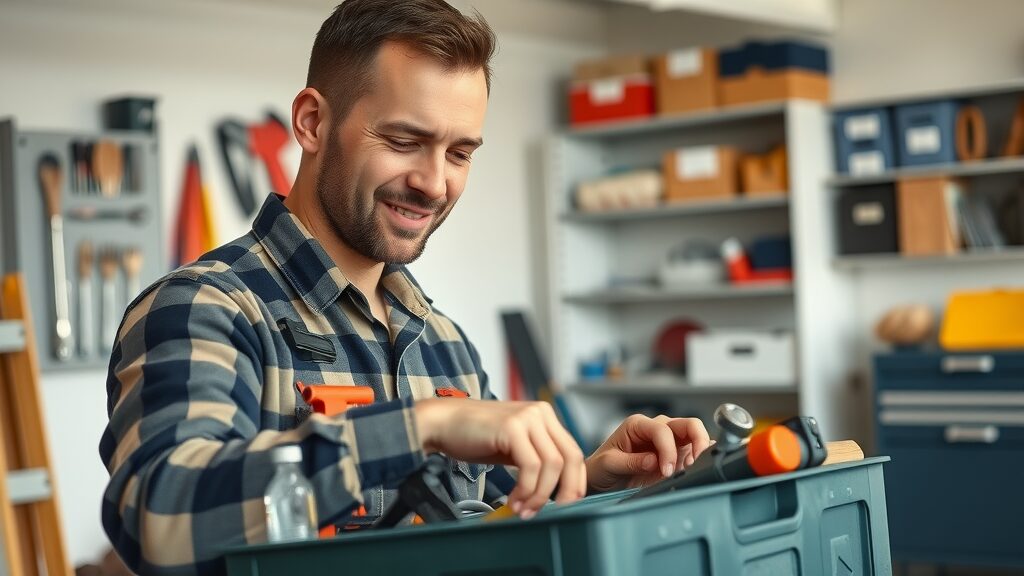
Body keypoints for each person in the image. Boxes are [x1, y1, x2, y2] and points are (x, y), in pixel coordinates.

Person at [99, 1, 710, 574]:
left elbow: (499, 522)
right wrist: (420, 425)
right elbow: (159, 517)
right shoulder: (205, 309)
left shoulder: (442, 343)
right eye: (404, 142)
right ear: (312, 123)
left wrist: (590, 478)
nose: (434, 183)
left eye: (459, 153)